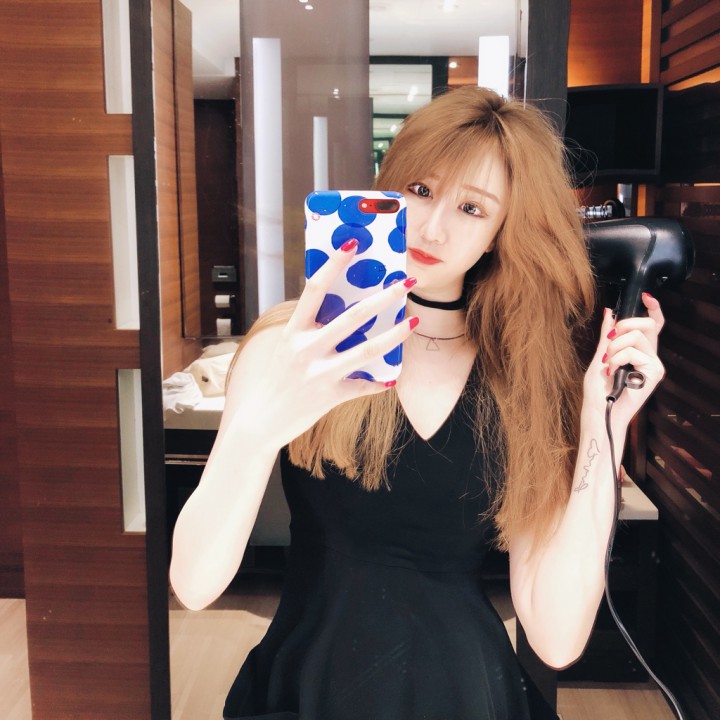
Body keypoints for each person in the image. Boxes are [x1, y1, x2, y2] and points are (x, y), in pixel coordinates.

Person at [169, 86, 665, 720]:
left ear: (501, 233)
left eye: (472, 208)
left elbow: (556, 637)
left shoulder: (525, 384)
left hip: (467, 692)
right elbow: (194, 583)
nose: (432, 227)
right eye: (421, 190)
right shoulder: (290, 347)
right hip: (312, 686)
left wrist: (605, 421)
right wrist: (258, 427)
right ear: (389, 188)